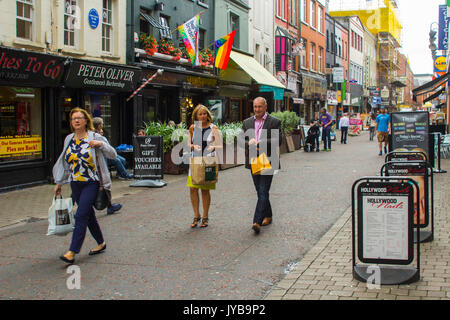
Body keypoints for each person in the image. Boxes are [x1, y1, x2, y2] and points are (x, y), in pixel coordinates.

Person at [53, 108, 117, 264]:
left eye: (79, 118)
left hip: (92, 182)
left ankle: (72, 251)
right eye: (73, 118)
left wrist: (100, 144)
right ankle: (101, 243)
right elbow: (65, 161)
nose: (76, 121)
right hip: (75, 183)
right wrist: (59, 182)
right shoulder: (69, 139)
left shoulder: (95, 137)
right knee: (88, 216)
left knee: (80, 215)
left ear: (86, 120)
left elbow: (113, 154)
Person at [239, 97, 282, 235]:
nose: (257, 109)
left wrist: (261, 142)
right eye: (255, 107)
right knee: (260, 191)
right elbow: (240, 140)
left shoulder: (274, 121)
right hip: (254, 161)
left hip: (268, 160)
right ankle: (268, 215)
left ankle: (257, 221)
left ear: (265, 106)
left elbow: (278, 140)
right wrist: (249, 143)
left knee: (263, 190)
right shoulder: (247, 122)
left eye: (260, 107)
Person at [187, 105, 222, 228]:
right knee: (192, 188)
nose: (202, 116)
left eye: (204, 114)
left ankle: (205, 217)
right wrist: (193, 146)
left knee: (205, 189)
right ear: (196, 116)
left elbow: (220, 145)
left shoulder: (214, 128)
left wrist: (213, 147)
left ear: (208, 115)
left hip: (208, 160)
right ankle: (196, 215)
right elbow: (188, 143)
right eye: (200, 114)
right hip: (195, 160)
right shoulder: (192, 128)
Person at [92, 118, 122, 215]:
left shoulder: (97, 136)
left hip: (99, 161)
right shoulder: (96, 136)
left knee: (104, 184)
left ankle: (109, 206)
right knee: (103, 184)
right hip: (94, 165)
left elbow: (112, 152)